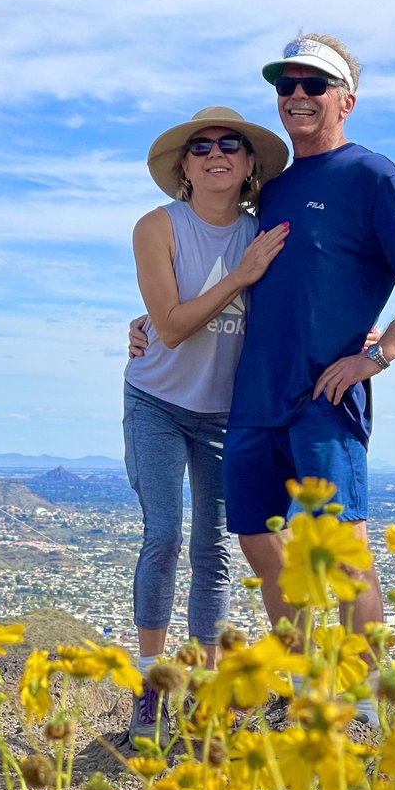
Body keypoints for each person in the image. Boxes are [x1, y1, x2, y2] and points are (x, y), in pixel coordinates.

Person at [131, 34, 395, 725]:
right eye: (286, 87)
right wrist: (149, 317)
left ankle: (371, 703)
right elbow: (235, 277)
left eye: (314, 85)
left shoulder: (374, 177)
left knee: (342, 547)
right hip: (250, 401)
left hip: (325, 397)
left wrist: (381, 353)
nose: (299, 97)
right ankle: (306, 684)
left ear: (346, 99)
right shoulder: (273, 191)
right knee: (261, 546)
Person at [122, 105, 289, 742]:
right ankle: (150, 684)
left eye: (231, 145)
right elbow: (166, 324)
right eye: (201, 146)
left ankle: (202, 688)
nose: (216, 153)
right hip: (158, 402)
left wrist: (366, 331)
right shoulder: (156, 226)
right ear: (184, 166)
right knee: (164, 536)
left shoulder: (266, 232)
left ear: (249, 165)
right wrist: (243, 277)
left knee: (213, 552)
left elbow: (312, 295)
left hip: (229, 414)